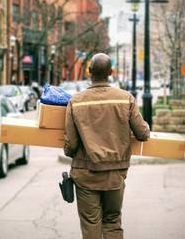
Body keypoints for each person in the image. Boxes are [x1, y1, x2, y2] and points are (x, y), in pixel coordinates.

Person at [64, 53, 150, 239]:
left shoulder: (76, 101)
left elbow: (71, 145)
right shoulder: (125, 98)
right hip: (115, 174)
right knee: (112, 221)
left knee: (91, 223)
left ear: (89, 72)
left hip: (86, 174)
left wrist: (69, 151)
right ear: (111, 73)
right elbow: (143, 134)